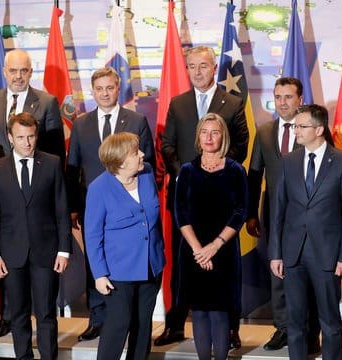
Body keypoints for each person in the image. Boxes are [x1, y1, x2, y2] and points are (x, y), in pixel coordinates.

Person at [159, 45, 249, 348]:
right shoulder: (178, 103)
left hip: (222, 201)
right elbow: (168, 145)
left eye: (204, 66)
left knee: (224, 273)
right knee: (185, 267)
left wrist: (215, 170)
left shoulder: (233, 102)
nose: (197, 72)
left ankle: (231, 329)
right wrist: (189, 173)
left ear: (214, 69)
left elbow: (240, 145)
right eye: (192, 66)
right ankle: (175, 324)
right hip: (187, 199)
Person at [0, 48, 66, 338]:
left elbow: (54, 149)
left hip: (37, 190)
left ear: (31, 72)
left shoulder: (48, 102)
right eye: (13, 71)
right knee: (9, 271)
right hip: (2, 195)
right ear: (5, 72)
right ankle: (6, 316)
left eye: (23, 71)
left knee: (43, 304)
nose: (18, 76)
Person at [67, 67, 155, 342]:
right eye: (99, 89)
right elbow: (72, 170)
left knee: (125, 264)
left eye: (110, 87)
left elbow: (148, 161)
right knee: (96, 259)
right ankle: (97, 318)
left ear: (118, 89)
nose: (105, 93)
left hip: (128, 207)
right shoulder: (81, 124)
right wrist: (73, 207)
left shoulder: (136, 120)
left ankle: (124, 320)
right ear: (93, 92)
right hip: (93, 205)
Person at [269, 104, 342, 360]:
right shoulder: (287, 162)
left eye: (301, 126)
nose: (295, 130)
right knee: (295, 319)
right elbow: (278, 211)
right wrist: (275, 253)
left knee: (329, 320)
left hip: (328, 255)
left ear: (319, 129)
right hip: (293, 253)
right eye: (295, 126)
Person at [0, 112, 71, 359]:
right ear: (10, 138)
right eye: (21, 137)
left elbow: (62, 211)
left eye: (31, 136)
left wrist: (64, 250)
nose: (27, 142)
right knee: (19, 314)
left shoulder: (52, 163)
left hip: (46, 253)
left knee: (45, 314)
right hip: (11, 255)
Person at [246, 77, 321, 353]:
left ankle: (311, 332)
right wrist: (251, 214)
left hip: (308, 217)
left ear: (300, 99)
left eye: (288, 97)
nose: (282, 102)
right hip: (274, 216)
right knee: (278, 273)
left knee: (308, 274)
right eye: (278, 97)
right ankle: (283, 329)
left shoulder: (314, 130)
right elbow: (254, 176)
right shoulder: (265, 132)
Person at [84, 132, 165, 359]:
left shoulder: (147, 173)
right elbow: (92, 235)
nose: (142, 155)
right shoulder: (99, 188)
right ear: (120, 162)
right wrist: (99, 274)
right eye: (135, 152)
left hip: (151, 266)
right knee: (119, 325)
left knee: (142, 327)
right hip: (118, 273)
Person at [175, 113, 247, 360]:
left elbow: (240, 213)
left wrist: (214, 247)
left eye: (215, 132)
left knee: (220, 311)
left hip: (223, 250)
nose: (209, 137)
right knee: (200, 310)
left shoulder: (236, 170)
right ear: (197, 136)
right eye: (204, 132)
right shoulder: (187, 170)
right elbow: (181, 215)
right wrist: (199, 250)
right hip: (193, 251)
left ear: (223, 137)